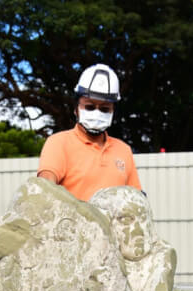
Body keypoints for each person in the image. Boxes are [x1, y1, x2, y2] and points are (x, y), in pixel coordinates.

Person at [37, 64, 142, 201]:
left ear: (112, 112)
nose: (97, 113)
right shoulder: (59, 143)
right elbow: (45, 185)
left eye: (104, 109)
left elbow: (136, 199)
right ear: (76, 109)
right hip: (71, 222)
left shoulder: (124, 150)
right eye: (90, 106)